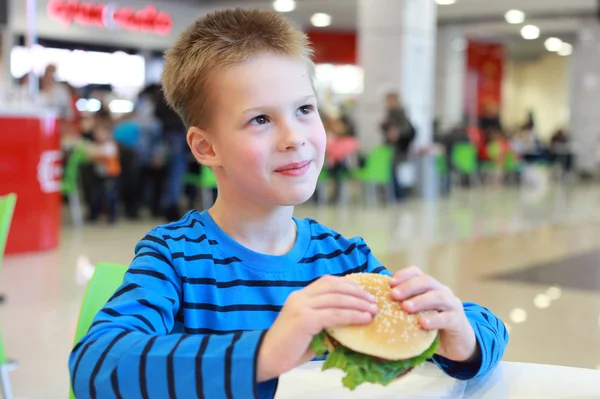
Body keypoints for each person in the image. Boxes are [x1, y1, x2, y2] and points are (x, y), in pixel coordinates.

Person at [69, 9, 508, 399]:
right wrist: (265, 352)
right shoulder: (174, 256)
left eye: (304, 109)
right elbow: (95, 364)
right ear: (205, 148)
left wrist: (460, 335)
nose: (294, 137)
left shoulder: (345, 259)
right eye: (260, 119)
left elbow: (487, 327)